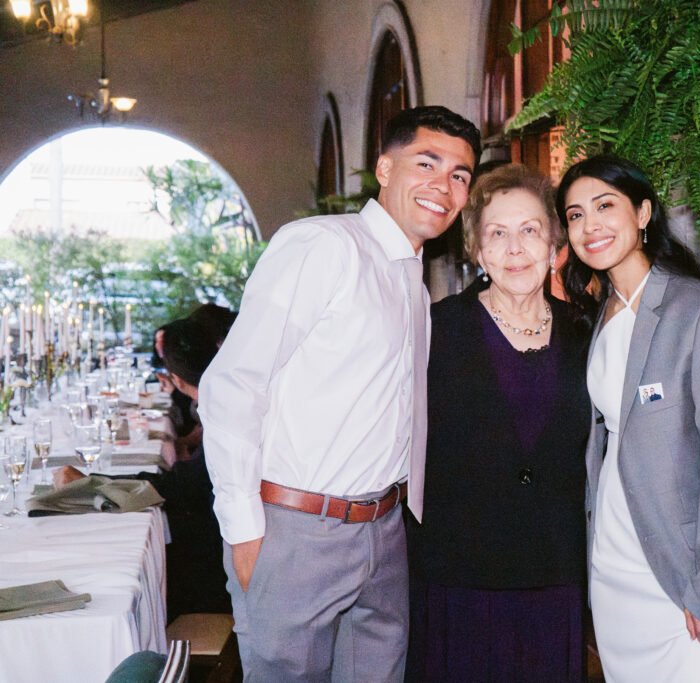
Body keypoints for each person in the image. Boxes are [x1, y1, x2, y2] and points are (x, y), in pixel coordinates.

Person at [199, 106, 480, 682]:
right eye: (427, 163)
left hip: (384, 530)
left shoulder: (412, 278)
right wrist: (244, 529)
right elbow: (233, 384)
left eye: (459, 174)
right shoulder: (324, 246)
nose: (443, 185)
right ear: (385, 168)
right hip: (298, 531)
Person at [557, 155, 700, 682]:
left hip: (681, 567)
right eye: (575, 215)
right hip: (612, 560)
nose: (590, 225)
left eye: (605, 206)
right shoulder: (597, 316)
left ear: (642, 213)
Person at [405, 164, 591, 682]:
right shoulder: (436, 330)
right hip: (459, 577)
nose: (514, 249)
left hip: (554, 573)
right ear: (477, 250)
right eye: (497, 234)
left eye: (530, 230)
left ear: (555, 245)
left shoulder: (586, 332)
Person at [55, 316, 232, 620]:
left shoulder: (222, 413)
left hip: (214, 562)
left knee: (118, 562)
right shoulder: (224, 403)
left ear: (176, 379)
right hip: (218, 537)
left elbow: (182, 485)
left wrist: (93, 484)